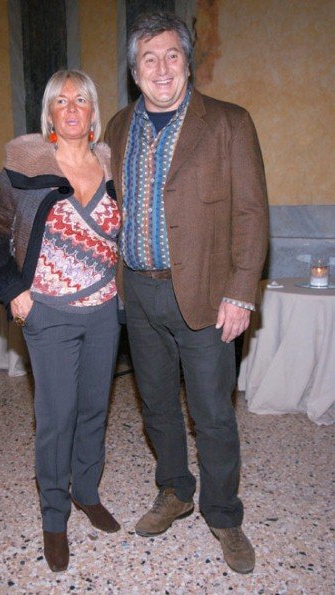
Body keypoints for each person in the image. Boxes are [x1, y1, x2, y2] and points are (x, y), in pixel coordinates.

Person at [105, 12, 269, 574]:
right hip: (138, 294)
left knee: (212, 413)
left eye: (172, 55)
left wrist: (240, 293)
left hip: (206, 295)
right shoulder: (118, 128)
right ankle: (174, 490)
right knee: (155, 404)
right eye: (148, 59)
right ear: (135, 72)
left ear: (188, 63)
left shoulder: (228, 122)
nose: (161, 68)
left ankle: (223, 513)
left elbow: (251, 212)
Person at [0, 70, 121, 572]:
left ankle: (87, 492)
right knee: (57, 418)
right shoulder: (27, 165)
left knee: (94, 409)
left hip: (104, 312)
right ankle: (54, 517)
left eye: (81, 99)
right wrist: (15, 293)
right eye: (62, 101)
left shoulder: (111, 166)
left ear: (93, 112)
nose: (72, 108)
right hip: (49, 313)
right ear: (50, 114)